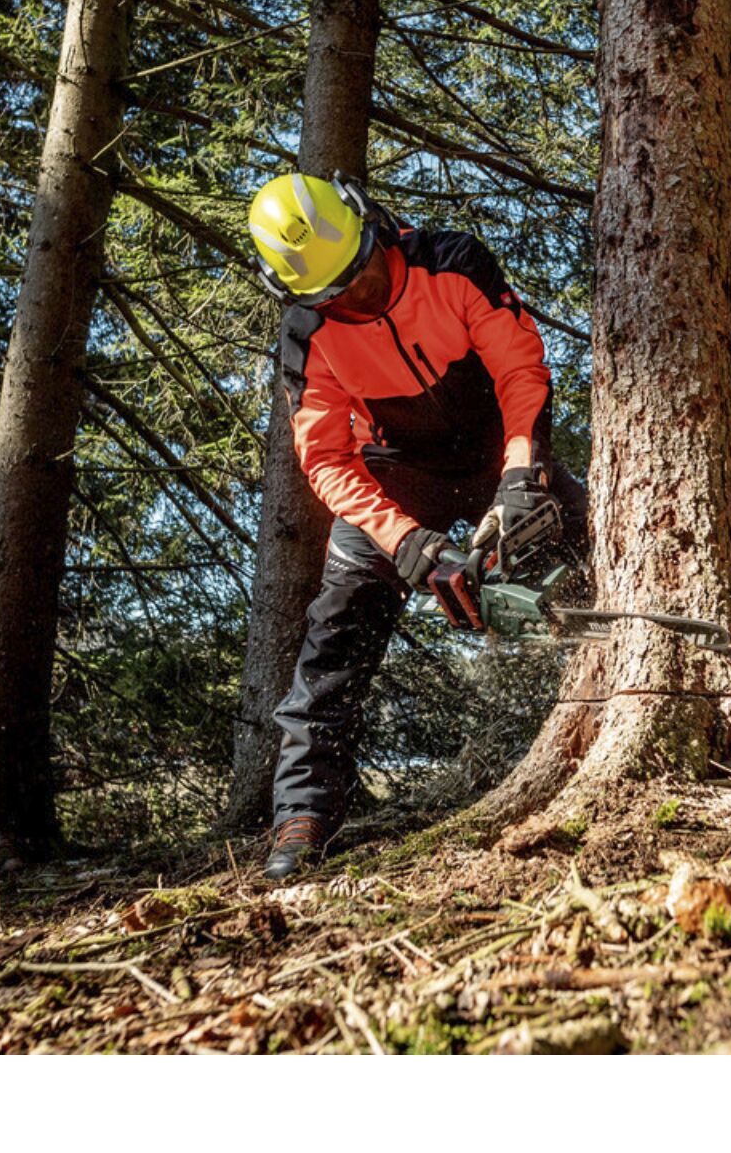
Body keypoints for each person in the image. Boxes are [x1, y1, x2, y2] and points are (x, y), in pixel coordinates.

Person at [246, 171, 586, 880]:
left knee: (582, 530)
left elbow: (522, 370)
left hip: (495, 437)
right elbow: (328, 460)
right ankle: (302, 817)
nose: (356, 294)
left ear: (372, 223)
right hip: (394, 469)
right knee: (337, 626)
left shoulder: (452, 263)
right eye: (332, 291)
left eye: (361, 269)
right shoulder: (308, 336)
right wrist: (408, 545)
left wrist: (520, 476)